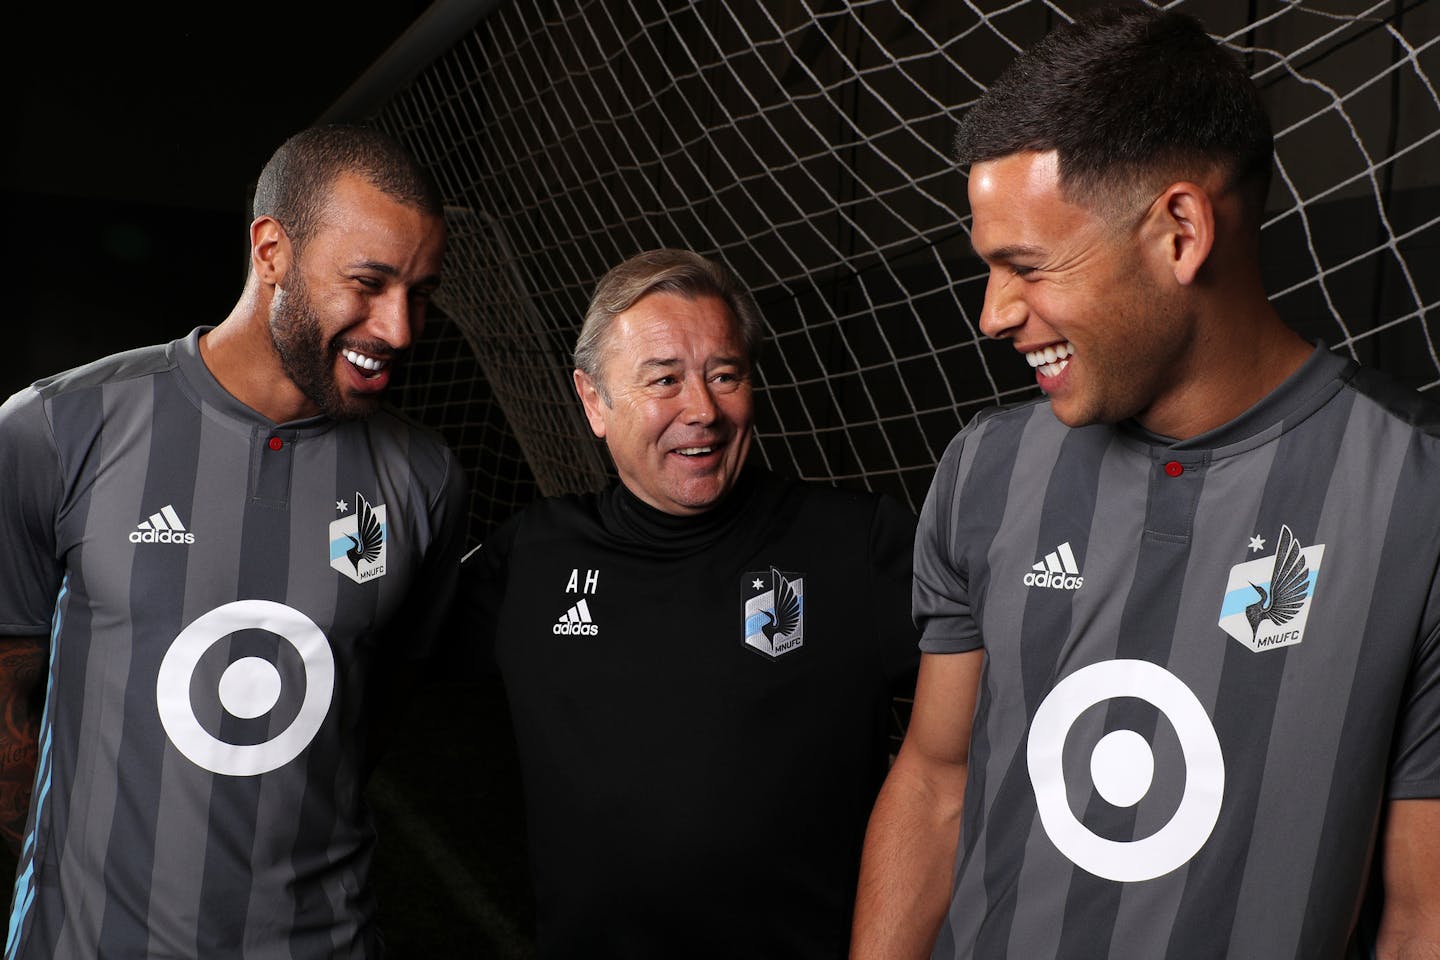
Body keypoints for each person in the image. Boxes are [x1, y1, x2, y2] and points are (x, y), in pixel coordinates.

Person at [850, 6, 1440, 959]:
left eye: (1026, 266)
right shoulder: (986, 471)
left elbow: (1425, 916)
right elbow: (934, 779)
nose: (992, 315)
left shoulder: (1417, 496)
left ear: (1179, 232)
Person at [0, 124, 468, 958]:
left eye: (420, 292)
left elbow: (375, 708)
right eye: (369, 282)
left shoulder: (425, 479)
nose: (399, 328)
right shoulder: (56, 428)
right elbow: (8, 683)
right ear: (272, 251)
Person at [458, 248, 920, 958]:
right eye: (664, 379)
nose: (702, 410)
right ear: (593, 402)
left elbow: (976, 743)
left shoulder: (856, 546)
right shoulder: (529, 560)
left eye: (724, 375)